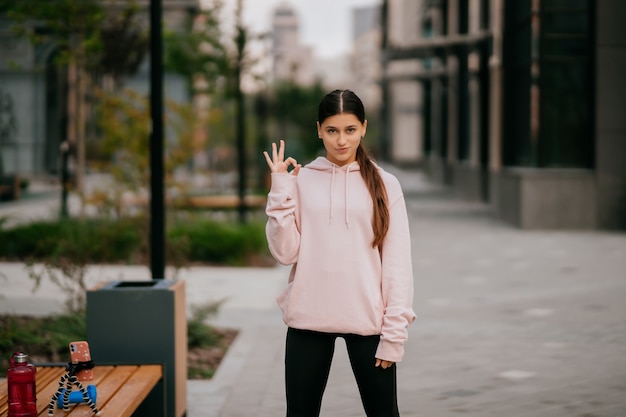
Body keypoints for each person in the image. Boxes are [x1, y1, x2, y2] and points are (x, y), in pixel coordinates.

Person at [263, 89, 416, 417]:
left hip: (369, 323)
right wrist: (280, 189)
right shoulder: (302, 180)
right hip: (309, 316)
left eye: (349, 130)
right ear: (319, 130)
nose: (341, 141)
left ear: (363, 127)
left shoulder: (386, 184)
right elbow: (285, 253)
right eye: (332, 131)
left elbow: (398, 265)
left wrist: (394, 335)